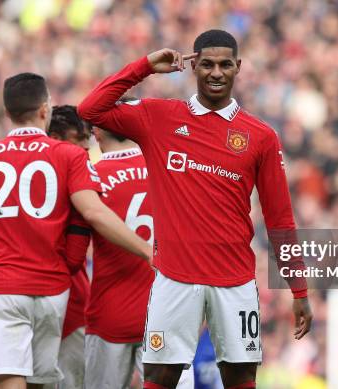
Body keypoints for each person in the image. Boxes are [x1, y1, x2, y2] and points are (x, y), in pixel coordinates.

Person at [78, 29, 312, 388]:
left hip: (234, 281)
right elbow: (90, 109)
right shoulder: (159, 117)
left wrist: (299, 290)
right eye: (206, 64)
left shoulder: (261, 136)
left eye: (224, 65)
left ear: (238, 67)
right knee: (160, 376)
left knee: (240, 377)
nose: (215, 72)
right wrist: (144, 67)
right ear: (193, 67)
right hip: (174, 278)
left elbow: (280, 219)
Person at [0, 73, 151, 389]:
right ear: (45, 109)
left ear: (6, 112)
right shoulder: (69, 157)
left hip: (0, 290)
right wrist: (148, 250)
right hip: (53, 295)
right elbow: (94, 213)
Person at [66, 98, 194, 388]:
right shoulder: (172, 171)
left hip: (110, 314)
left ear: (97, 133)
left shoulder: (90, 178)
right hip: (167, 311)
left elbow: (74, 257)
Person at [42, 105, 93, 389]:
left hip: (69, 311)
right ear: (56, 138)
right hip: (64, 308)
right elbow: (73, 259)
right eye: (80, 145)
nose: (86, 153)